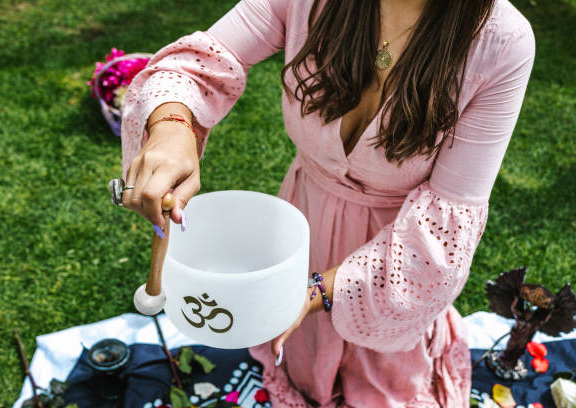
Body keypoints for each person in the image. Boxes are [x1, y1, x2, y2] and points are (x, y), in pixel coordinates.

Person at [119, 0, 535, 406]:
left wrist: (312, 294)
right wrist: (172, 129)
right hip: (303, 220)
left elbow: (442, 232)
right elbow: (193, 66)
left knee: (384, 384)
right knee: (300, 360)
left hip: (396, 258)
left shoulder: (502, 42)